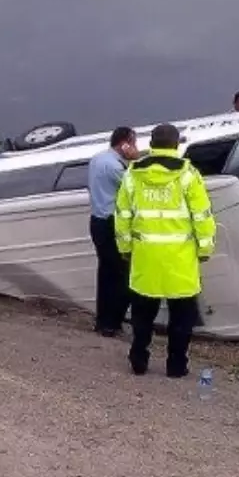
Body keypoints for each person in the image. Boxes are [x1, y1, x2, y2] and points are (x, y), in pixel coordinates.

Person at [115, 123, 215, 377]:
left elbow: (122, 215)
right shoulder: (188, 174)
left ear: (151, 144)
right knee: (182, 318)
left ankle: (139, 360)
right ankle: (176, 365)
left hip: (145, 257)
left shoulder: (132, 174)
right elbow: (202, 216)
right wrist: (205, 248)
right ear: (176, 145)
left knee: (142, 316)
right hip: (180, 259)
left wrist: (125, 247)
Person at [87, 126, 139, 337]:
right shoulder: (116, 167)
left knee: (106, 273)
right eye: (133, 143)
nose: (135, 148)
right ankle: (113, 323)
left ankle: (103, 320)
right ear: (125, 143)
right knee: (123, 274)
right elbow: (133, 189)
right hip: (111, 223)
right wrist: (135, 161)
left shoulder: (97, 159)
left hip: (96, 220)